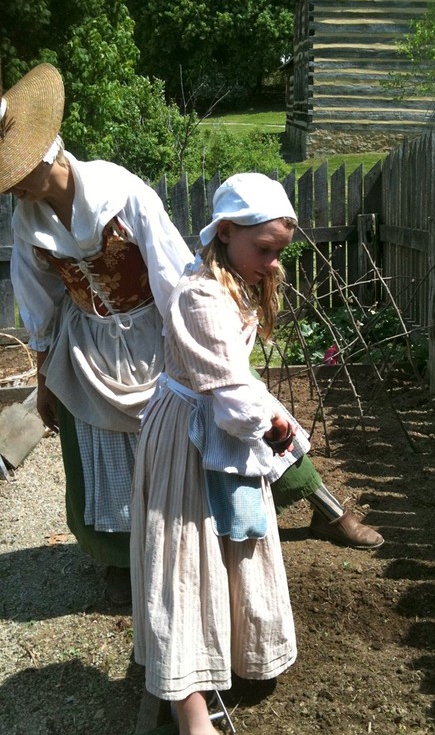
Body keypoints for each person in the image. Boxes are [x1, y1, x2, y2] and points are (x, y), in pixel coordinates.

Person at [1, 63, 382, 605]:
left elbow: (173, 272)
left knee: (239, 410)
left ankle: (326, 508)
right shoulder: (26, 217)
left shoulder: (120, 192)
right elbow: (36, 294)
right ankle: (123, 558)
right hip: (91, 346)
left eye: (12, 173)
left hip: (160, 330)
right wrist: (45, 378)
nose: (9, 185)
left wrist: (202, 344)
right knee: (102, 451)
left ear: (42, 158)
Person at [130, 173, 301, 733]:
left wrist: (272, 422)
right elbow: (231, 399)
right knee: (184, 559)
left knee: (225, 543)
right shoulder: (202, 294)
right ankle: (190, 706)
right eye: (265, 250)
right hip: (188, 434)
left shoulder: (227, 279)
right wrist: (275, 427)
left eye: (279, 252)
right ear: (226, 232)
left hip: (211, 421)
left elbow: (233, 386)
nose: (273, 263)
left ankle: (229, 651)